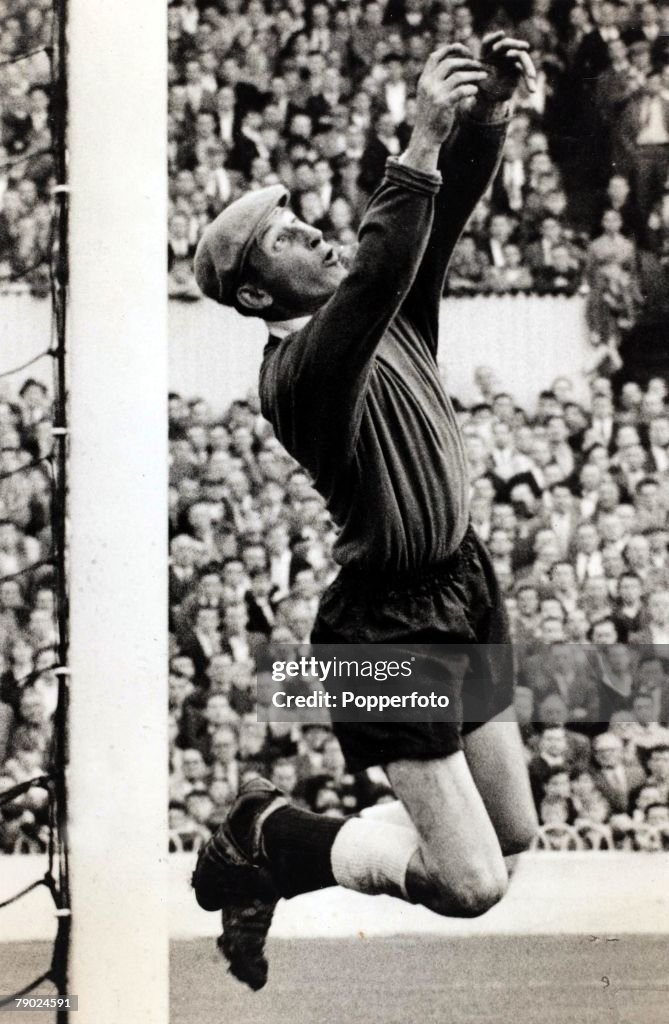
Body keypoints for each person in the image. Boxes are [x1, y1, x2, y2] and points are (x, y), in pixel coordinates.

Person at [191, 36, 539, 991]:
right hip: (386, 626)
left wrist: (488, 117)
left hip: (459, 588)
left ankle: (273, 842)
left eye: (301, 218)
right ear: (258, 293)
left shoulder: (379, 314)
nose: (311, 232)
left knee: (514, 838)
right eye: (285, 237)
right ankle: (274, 836)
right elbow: (388, 258)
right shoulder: (300, 370)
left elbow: (440, 221)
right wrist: (420, 132)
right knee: (470, 885)